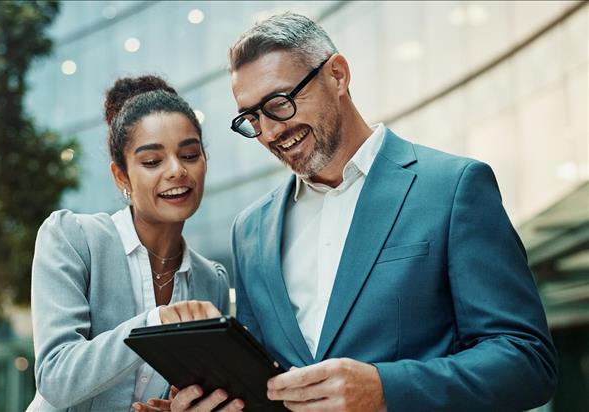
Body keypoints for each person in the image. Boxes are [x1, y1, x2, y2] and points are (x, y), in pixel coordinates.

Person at [141, 12, 557, 412]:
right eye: (251, 117)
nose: (269, 131)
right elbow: (264, 382)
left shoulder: (453, 187)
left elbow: (527, 361)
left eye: (279, 103)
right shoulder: (251, 228)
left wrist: (385, 390)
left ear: (337, 75)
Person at [27, 75, 243, 412]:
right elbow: (57, 377)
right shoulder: (73, 238)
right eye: (152, 161)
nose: (176, 171)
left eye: (189, 154)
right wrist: (154, 325)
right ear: (121, 176)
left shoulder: (210, 280)